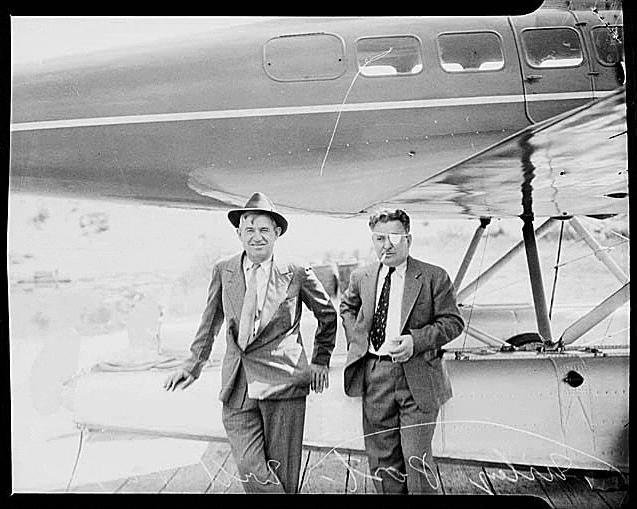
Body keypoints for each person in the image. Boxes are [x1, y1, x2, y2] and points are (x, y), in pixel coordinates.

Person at [164, 192, 337, 494]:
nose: (257, 237)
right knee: (251, 469)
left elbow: (327, 315)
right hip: (237, 386)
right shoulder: (223, 269)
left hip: (284, 385)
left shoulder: (295, 271)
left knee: (283, 476)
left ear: (277, 233)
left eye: (264, 230)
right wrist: (192, 365)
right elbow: (210, 322)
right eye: (250, 230)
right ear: (239, 233)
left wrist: (321, 360)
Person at [340, 209, 464, 494]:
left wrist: (415, 341)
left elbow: (453, 322)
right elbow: (347, 308)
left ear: (408, 239)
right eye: (380, 238)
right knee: (383, 461)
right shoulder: (362, 276)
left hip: (418, 377)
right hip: (376, 375)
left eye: (395, 237)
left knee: (416, 459)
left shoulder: (433, 276)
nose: (387, 245)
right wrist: (357, 339)